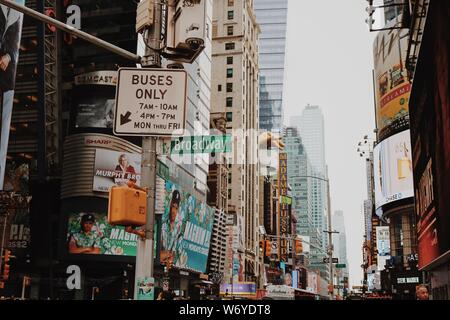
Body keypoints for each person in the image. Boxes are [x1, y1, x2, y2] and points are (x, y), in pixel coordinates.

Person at [160, 190, 182, 266]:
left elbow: (174, 254)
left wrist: (167, 254)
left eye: (176, 208)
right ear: (170, 206)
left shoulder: (178, 228)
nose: (174, 211)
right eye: (173, 206)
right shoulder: (163, 223)